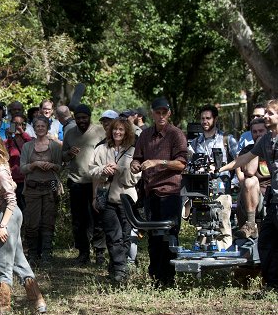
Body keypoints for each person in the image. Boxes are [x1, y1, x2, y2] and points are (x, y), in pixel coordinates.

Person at [0, 135, 47, 315]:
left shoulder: (0, 171)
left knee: (2, 260)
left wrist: (2, 225)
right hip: (7, 214)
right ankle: (37, 300)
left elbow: (11, 200)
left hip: (7, 214)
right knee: (18, 258)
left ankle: (2, 306)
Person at [219, 99, 278, 292]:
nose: (265, 117)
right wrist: (222, 167)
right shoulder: (266, 139)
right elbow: (246, 159)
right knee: (267, 243)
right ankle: (271, 285)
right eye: (265, 113)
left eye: (270, 113)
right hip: (273, 200)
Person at [131, 97, 187, 287]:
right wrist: (135, 165)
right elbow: (136, 158)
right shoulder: (145, 135)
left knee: (169, 236)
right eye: (158, 112)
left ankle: (169, 278)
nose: (161, 115)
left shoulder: (176, 134)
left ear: (169, 113)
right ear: (152, 113)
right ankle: (155, 278)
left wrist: (157, 162)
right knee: (153, 238)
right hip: (149, 193)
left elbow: (181, 164)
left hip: (170, 192)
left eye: (164, 112)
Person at [89, 119, 140, 282]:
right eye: (115, 129)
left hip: (127, 199)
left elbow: (136, 177)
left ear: (127, 132)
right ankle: (120, 270)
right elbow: (92, 170)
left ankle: (117, 265)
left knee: (125, 236)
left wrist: (120, 169)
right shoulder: (101, 149)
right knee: (113, 235)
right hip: (107, 198)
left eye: (121, 130)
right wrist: (103, 170)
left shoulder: (133, 151)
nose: (117, 132)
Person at [62, 105, 107, 265]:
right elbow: (63, 157)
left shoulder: (100, 131)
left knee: (98, 218)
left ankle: (100, 252)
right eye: (78, 118)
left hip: (97, 182)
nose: (81, 120)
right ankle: (83, 252)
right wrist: (68, 154)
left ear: (89, 117)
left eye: (84, 117)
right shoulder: (69, 133)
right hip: (76, 182)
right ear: (74, 118)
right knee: (79, 220)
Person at [187, 105, 234, 250]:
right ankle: (204, 258)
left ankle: (224, 257)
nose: (204, 121)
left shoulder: (226, 139)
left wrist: (235, 182)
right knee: (202, 226)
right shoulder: (195, 143)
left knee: (222, 225)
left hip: (222, 189)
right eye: (202, 118)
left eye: (208, 118)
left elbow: (238, 161)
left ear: (215, 119)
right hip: (201, 191)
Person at [19, 116, 62, 260]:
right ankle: (32, 253)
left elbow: (60, 167)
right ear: (34, 128)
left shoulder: (55, 146)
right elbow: (22, 169)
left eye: (43, 126)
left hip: (51, 185)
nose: (40, 128)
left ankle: (46, 253)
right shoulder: (27, 146)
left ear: (47, 127)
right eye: (37, 126)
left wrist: (52, 166)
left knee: (48, 220)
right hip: (32, 187)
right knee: (32, 220)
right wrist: (34, 165)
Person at [235, 118, 269, 238]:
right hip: (253, 195)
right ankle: (251, 224)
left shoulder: (274, 148)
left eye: (261, 131)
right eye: (254, 132)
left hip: (273, 194)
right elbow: (249, 171)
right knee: (250, 180)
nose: (258, 134)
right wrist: (257, 148)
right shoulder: (247, 150)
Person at [5, 114, 31, 211]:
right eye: (14, 124)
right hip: (13, 181)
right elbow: (6, 156)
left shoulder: (29, 140)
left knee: (27, 208)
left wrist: (22, 133)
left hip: (27, 180)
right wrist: (9, 138)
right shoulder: (7, 142)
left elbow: (32, 146)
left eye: (20, 124)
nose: (17, 126)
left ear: (24, 126)